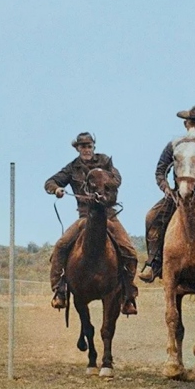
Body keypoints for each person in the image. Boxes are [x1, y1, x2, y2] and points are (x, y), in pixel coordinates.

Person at [45, 132, 139, 315]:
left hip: (109, 215)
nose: (86, 149)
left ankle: (128, 294)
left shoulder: (104, 161)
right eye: (83, 146)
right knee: (61, 246)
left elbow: (117, 179)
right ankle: (60, 290)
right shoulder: (72, 168)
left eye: (89, 146)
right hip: (85, 216)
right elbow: (50, 182)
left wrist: (103, 178)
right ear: (77, 148)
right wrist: (56, 189)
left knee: (130, 251)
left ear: (93, 147)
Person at [139, 106, 195, 282]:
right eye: (193, 123)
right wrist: (166, 188)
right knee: (152, 217)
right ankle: (154, 262)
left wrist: (192, 169)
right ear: (186, 124)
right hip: (178, 192)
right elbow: (160, 170)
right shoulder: (174, 145)